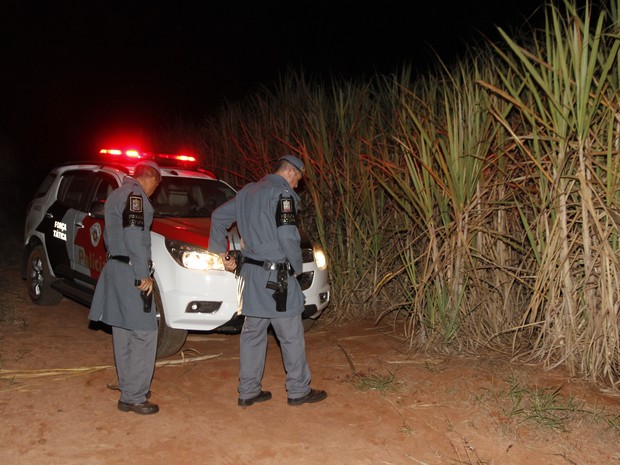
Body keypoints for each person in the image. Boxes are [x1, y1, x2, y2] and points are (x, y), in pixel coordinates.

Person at [209, 154, 327, 407]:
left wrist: (223, 254)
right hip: (278, 279)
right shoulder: (282, 194)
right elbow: (287, 236)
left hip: (251, 276)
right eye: (298, 179)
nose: (297, 185)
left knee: (252, 334)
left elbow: (218, 217)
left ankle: (248, 391)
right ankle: (298, 390)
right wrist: (296, 267)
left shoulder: (247, 192)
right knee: (291, 335)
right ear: (292, 173)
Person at [88, 160, 162, 415]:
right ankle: (134, 396)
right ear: (151, 179)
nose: (154, 191)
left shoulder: (116, 194)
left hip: (115, 268)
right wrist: (143, 274)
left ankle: (130, 386)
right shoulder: (136, 197)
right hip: (131, 271)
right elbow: (133, 235)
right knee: (145, 331)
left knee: (123, 331)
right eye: (156, 186)